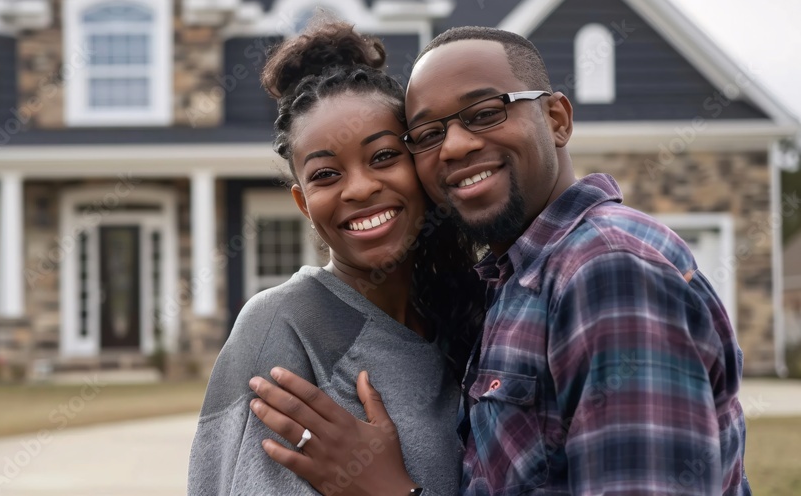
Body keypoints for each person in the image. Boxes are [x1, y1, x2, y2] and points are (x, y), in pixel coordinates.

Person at [249, 26, 750, 495]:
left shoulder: (607, 270)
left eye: (486, 112)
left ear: (556, 119)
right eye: (427, 134)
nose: (457, 146)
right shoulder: (508, 282)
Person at [187, 19, 486, 495]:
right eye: (326, 174)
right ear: (304, 203)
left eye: (384, 157)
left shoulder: (468, 314)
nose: (361, 188)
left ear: (421, 167)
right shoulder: (282, 327)